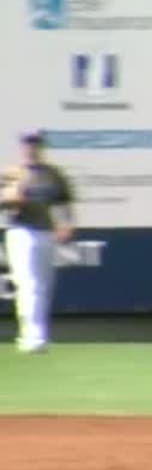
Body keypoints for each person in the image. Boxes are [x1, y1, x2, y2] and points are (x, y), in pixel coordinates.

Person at [1, 131, 75, 355]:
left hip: (45, 231)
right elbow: (3, 201)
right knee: (29, 284)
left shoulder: (53, 174)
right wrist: (11, 198)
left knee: (43, 285)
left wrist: (66, 224)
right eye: (28, 144)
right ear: (22, 147)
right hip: (21, 231)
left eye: (35, 144)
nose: (31, 148)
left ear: (41, 147)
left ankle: (37, 335)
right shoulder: (12, 173)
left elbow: (64, 202)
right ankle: (32, 337)